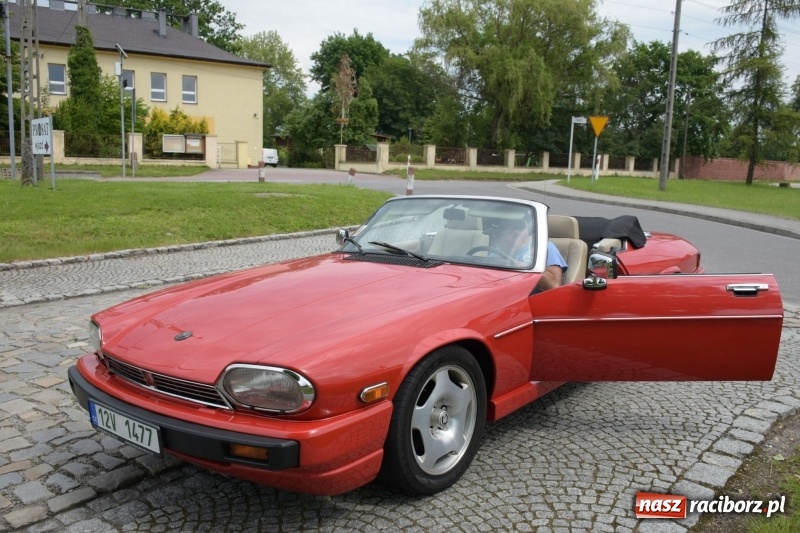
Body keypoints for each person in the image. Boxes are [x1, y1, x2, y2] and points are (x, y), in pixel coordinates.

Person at [487, 217, 567, 291]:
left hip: (531, 301)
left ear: (515, 234)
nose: (495, 240)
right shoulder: (496, 253)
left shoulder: (543, 248)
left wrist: (520, 267)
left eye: (497, 235)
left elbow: (553, 285)